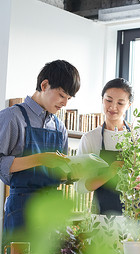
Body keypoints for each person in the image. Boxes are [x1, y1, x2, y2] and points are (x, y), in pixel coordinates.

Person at [0, 60, 81, 242]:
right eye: (61, 95)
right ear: (44, 85)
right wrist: (42, 159)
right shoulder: (12, 117)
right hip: (21, 208)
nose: (65, 103)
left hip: (52, 209)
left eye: (69, 98)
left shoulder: (59, 127)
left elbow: (58, 172)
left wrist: (73, 173)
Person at [76, 78, 140, 216]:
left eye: (120, 103)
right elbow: (80, 187)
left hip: (135, 217)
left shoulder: (139, 136)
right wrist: (110, 173)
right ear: (102, 100)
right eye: (108, 100)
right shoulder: (90, 138)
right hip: (102, 218)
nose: (113, 107)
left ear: (129, 105)